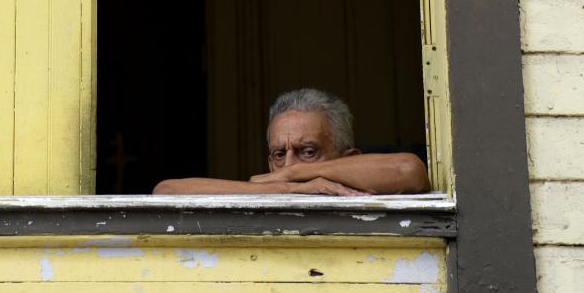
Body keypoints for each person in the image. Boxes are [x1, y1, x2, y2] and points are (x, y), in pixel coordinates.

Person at [153, 86, 430, 197]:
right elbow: (166, 191)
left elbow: (409, 171)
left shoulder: (355, 185)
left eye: (308, 151)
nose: (288, 164)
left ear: (350, 158)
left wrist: (298, 174)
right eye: (278, 155)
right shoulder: (270, 189)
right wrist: (286, 186)